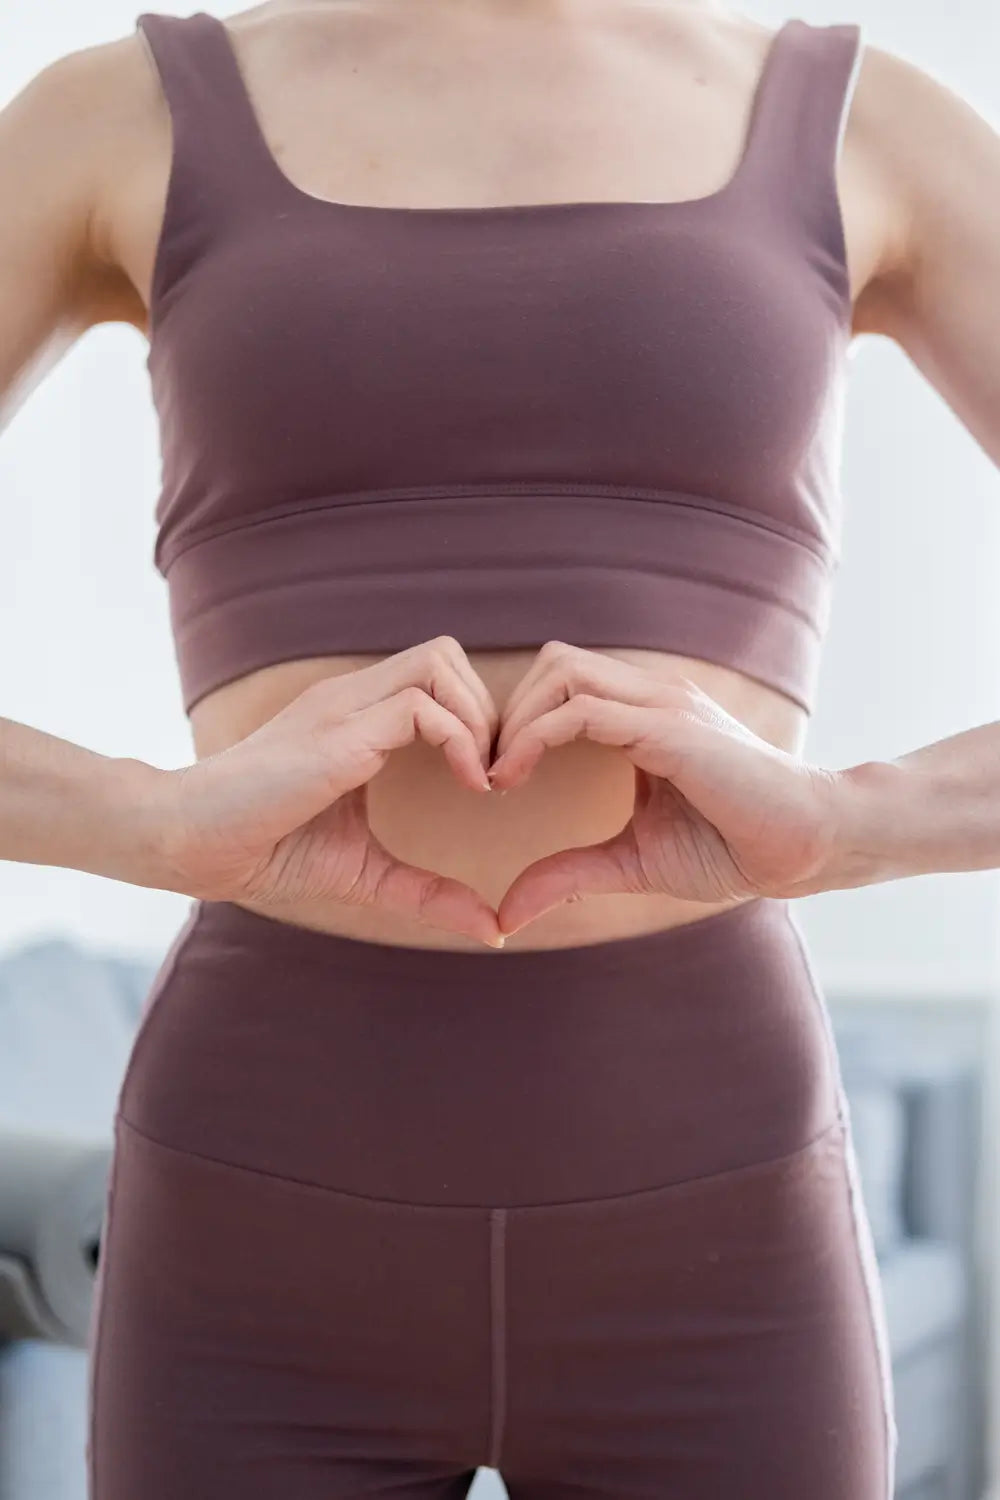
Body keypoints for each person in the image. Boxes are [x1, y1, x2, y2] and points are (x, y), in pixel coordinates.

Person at [1, 0, 998, 1494]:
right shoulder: (115, 118)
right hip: (260, 1191)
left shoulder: (872, 126)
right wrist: (147, 819)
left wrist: (854, 820)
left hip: (712, 1190)